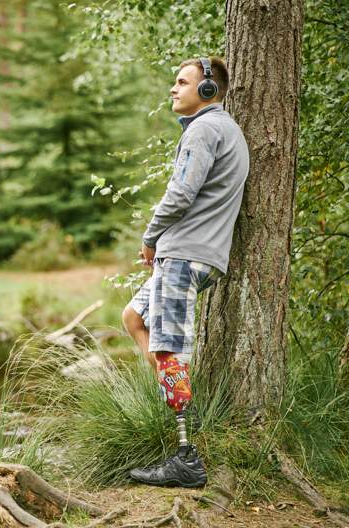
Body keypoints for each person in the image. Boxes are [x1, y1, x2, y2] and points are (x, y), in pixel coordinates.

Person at [122, 57, 249, 488]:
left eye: (182, 82)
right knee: (134, 318)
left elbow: (181, 191)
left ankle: (186, 457)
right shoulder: (222, 129)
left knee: (171, 350)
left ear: (208, 91)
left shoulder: (205, 128)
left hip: (183, 256)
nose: (173, 89)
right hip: (195, 255)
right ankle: (173, 392)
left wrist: (150, 235)